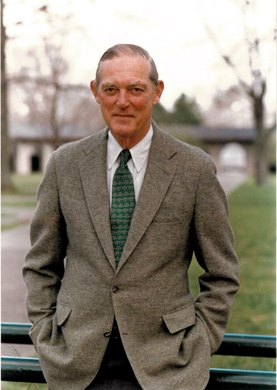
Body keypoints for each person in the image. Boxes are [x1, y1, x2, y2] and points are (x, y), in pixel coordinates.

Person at [23, 43, 240, 390]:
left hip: (167, 366)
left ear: (156, 92)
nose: (123, 101)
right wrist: (45, 333)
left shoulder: (194, 169)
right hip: (75, 364)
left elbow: (223, 273)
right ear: (96, 93)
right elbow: (40, 264)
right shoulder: (65, 165)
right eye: (111, 89)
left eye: (136, 89)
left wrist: (200, 341)